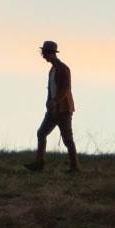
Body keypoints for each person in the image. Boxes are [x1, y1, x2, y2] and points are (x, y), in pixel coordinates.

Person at [33, 37, 78, 165]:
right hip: (53, 110)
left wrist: (55, 101)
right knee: (41, 133)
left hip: (63, 110)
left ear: (51, 53)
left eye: (45, 53)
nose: (43, 56)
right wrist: (49, 102)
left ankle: (75, 167)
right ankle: (39, 163)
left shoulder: (63, 68)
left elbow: (65, 89)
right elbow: (51, 89)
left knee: (67, 139)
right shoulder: (52, 70)